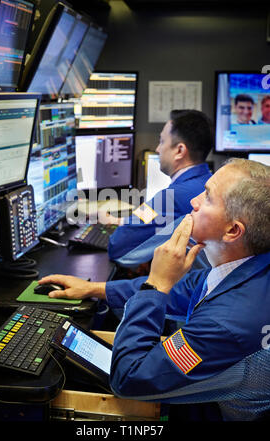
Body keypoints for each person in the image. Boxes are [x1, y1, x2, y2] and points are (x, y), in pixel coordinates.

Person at [39, 158, 270, 421]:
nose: (193, 201)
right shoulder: (245, 268)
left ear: (232, 231)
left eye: (207, 197)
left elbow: (127, 379)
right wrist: (95, 288)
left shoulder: (226, 321)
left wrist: (157, 284)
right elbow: (183, 290)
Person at [105, 109, 213, 262]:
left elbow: (117, 246)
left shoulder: (170, 197)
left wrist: (126, 223)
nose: (157, 149)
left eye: (162, 142)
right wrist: (122, 221)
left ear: (180, 150)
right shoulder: (208, 182)